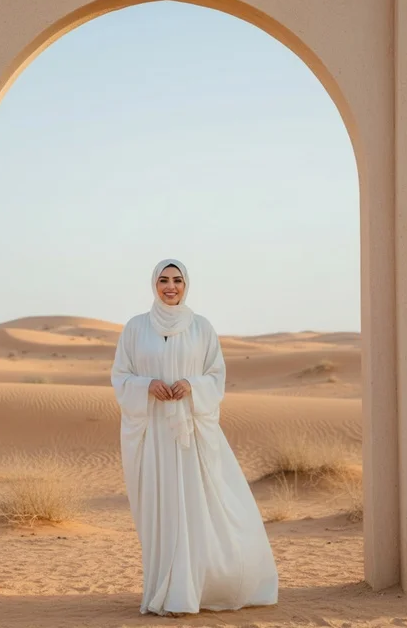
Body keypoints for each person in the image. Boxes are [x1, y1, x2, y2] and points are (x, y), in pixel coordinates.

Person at [111, 259, 278, 617]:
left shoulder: (202, 328)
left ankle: (200, 586)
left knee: (201, 504)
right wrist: (146, 385)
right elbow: (121, 376)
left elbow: (216, 376)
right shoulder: (135, 328)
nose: (170, 287)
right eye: (163, 280)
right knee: (162, 506)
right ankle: (167, 589)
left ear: (187, 285)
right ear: (153, 284)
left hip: (191, 432)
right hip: (154, 433)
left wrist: (192, 385)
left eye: (177, 281)